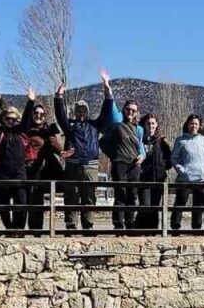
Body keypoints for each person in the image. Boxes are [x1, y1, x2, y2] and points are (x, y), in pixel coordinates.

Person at [96, 69, 146, 230]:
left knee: (132, 195)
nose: (130, 112)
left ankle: (130, 223)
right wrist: (107, 86)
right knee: (120, 194)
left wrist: (142, 156)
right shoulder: (117, 124)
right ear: (124, 110)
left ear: (136, 113)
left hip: (134, 165)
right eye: (128, 109)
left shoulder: (139, 129)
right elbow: (103, 143)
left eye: (133, 110)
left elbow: (141, 147)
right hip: (120, 164)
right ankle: (118, 224)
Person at [55, 85, 101, 231]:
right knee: (71, 195)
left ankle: (88, 225)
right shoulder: (70, 125)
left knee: (89, 196)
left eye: (84, 110)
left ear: (87, 112)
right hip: (73, 166)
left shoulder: (94, 125)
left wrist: (108, 92)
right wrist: (59, 97)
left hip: (91, 166)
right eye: (78, 110)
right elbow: (60, 115)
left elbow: (106, 113)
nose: (81, 112)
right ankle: (71, 224)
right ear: (75, 113)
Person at [20, 89, 66, 231]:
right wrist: (31, 101)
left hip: (39, 170)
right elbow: (20, 118)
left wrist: (61, 152)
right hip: (26, 168)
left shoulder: (47, 131)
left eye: (41, 114)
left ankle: (37, 230)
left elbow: (53, 143)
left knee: (36, 198)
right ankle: (20, 229)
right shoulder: (26, 129)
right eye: (36, 113)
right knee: (24, 200)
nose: (38, 116)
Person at [0, 82, 29, 230]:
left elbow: (24, 120)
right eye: (8, 119)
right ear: (3, 119)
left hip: (19, 174)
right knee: (3, 204)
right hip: (3, 174)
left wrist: (30, 102)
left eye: (14, 119)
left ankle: (19, 229)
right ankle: (9, 228)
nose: (11, 121)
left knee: (21, 202)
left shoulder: (19, 131)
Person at [170, 114, 204, 231]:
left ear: (199, 126)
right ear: (187, 124)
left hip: (201, 178)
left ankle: (196, 228)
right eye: (192, 123)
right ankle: (175, 228)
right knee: (180, 203)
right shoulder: (180, 140)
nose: (194, 126)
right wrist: (180, 169)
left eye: (196, 124)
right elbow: (173, 158)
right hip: (185, 178)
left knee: (199, 205)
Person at [137, 113, 172, 229]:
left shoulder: (162, 142)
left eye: (153, 123)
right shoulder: (140, 141)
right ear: (144, 125)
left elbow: (169, 159)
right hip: (143, 179)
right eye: (148, 123)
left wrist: (162, 167)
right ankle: (141, 230)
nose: (150, 126)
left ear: (156, 125)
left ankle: (153, 231)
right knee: (145, 205)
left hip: (158, 179)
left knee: (155, 207)